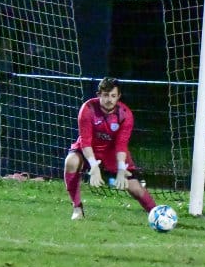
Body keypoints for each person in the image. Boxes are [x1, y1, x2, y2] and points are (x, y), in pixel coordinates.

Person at [64, 77, 158, 220]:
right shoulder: (88, 109)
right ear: (99, 95)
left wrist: (121, 168)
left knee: (135, 188)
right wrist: (93, 165)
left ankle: (158, 214)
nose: (109, 99)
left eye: (113, 96)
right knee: (71, 161)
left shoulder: (125, 114)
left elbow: (121, 144)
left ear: (118, 96)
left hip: (112, 152)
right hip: (89, 149)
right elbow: (85, 141)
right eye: (106, 95)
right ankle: (77, 208)